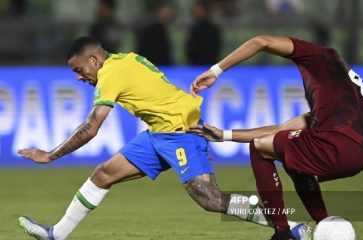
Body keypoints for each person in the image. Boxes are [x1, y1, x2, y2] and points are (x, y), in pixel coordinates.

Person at [17, 36, 310, 240]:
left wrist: (50, 155)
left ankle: (292, 226)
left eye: (79, 70)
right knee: (103, 173)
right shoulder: (124, 60)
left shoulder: (110, 75)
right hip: (159, 133)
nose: (79, 77)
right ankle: (56, 234)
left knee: (211, 199)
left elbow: (91, 127)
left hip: (182, 133)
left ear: (94, 60)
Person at [190, 35, 363, 240]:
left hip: (336, 143)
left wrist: (215, 71)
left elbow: (260, 42)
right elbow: (281, 130)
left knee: (259, 147)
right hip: (358, 154)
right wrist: (225, 135)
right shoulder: (339, 89)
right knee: (290, 151)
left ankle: (282, 231)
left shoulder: (319, 56)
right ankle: (325, 225)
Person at [135, 0, 174, 65]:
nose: (169, 13)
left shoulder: (164, 28)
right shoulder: (150, 30)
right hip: (153, 67)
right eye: (165, 10)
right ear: (157, 11)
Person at [185, 0, 222, 65]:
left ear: (206, 11)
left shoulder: (213, 29)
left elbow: (215, 50)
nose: (196, 12)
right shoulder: (194, 29)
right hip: (195, 66)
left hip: (209, 65)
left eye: (199, 9)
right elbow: (190, 50)